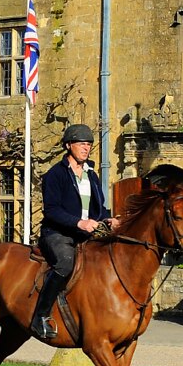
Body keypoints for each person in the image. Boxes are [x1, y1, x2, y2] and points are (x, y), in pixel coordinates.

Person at [31, 123, 117, 339]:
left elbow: (98, 208)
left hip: (85, 233)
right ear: (69, 145)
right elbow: (51, 210)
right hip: (57, 233)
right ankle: (40, 316)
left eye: (88, 144)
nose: (86, 148)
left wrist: (108, 217)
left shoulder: (92, 175)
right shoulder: (55, 175)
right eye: (81, 144)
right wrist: (79, 222)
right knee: (65, 262)